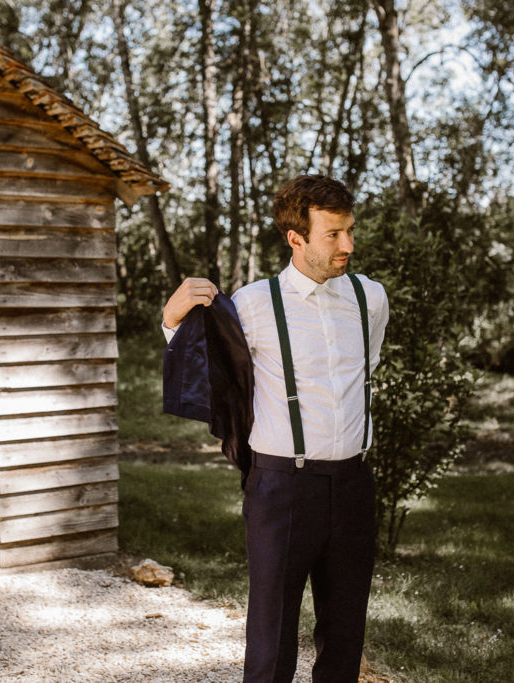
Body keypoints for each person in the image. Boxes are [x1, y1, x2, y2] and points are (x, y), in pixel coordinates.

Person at [161, 174, 389, 683]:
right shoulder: (254, 304)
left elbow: (364, 371)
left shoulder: (371, 298)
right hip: (282, 488)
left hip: (353, 484)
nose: (347, 245)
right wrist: (171, 320)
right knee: (271, 638)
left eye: (350, 230)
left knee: (346, 633)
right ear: (296, 238)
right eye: (333, 234)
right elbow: (213, 373)